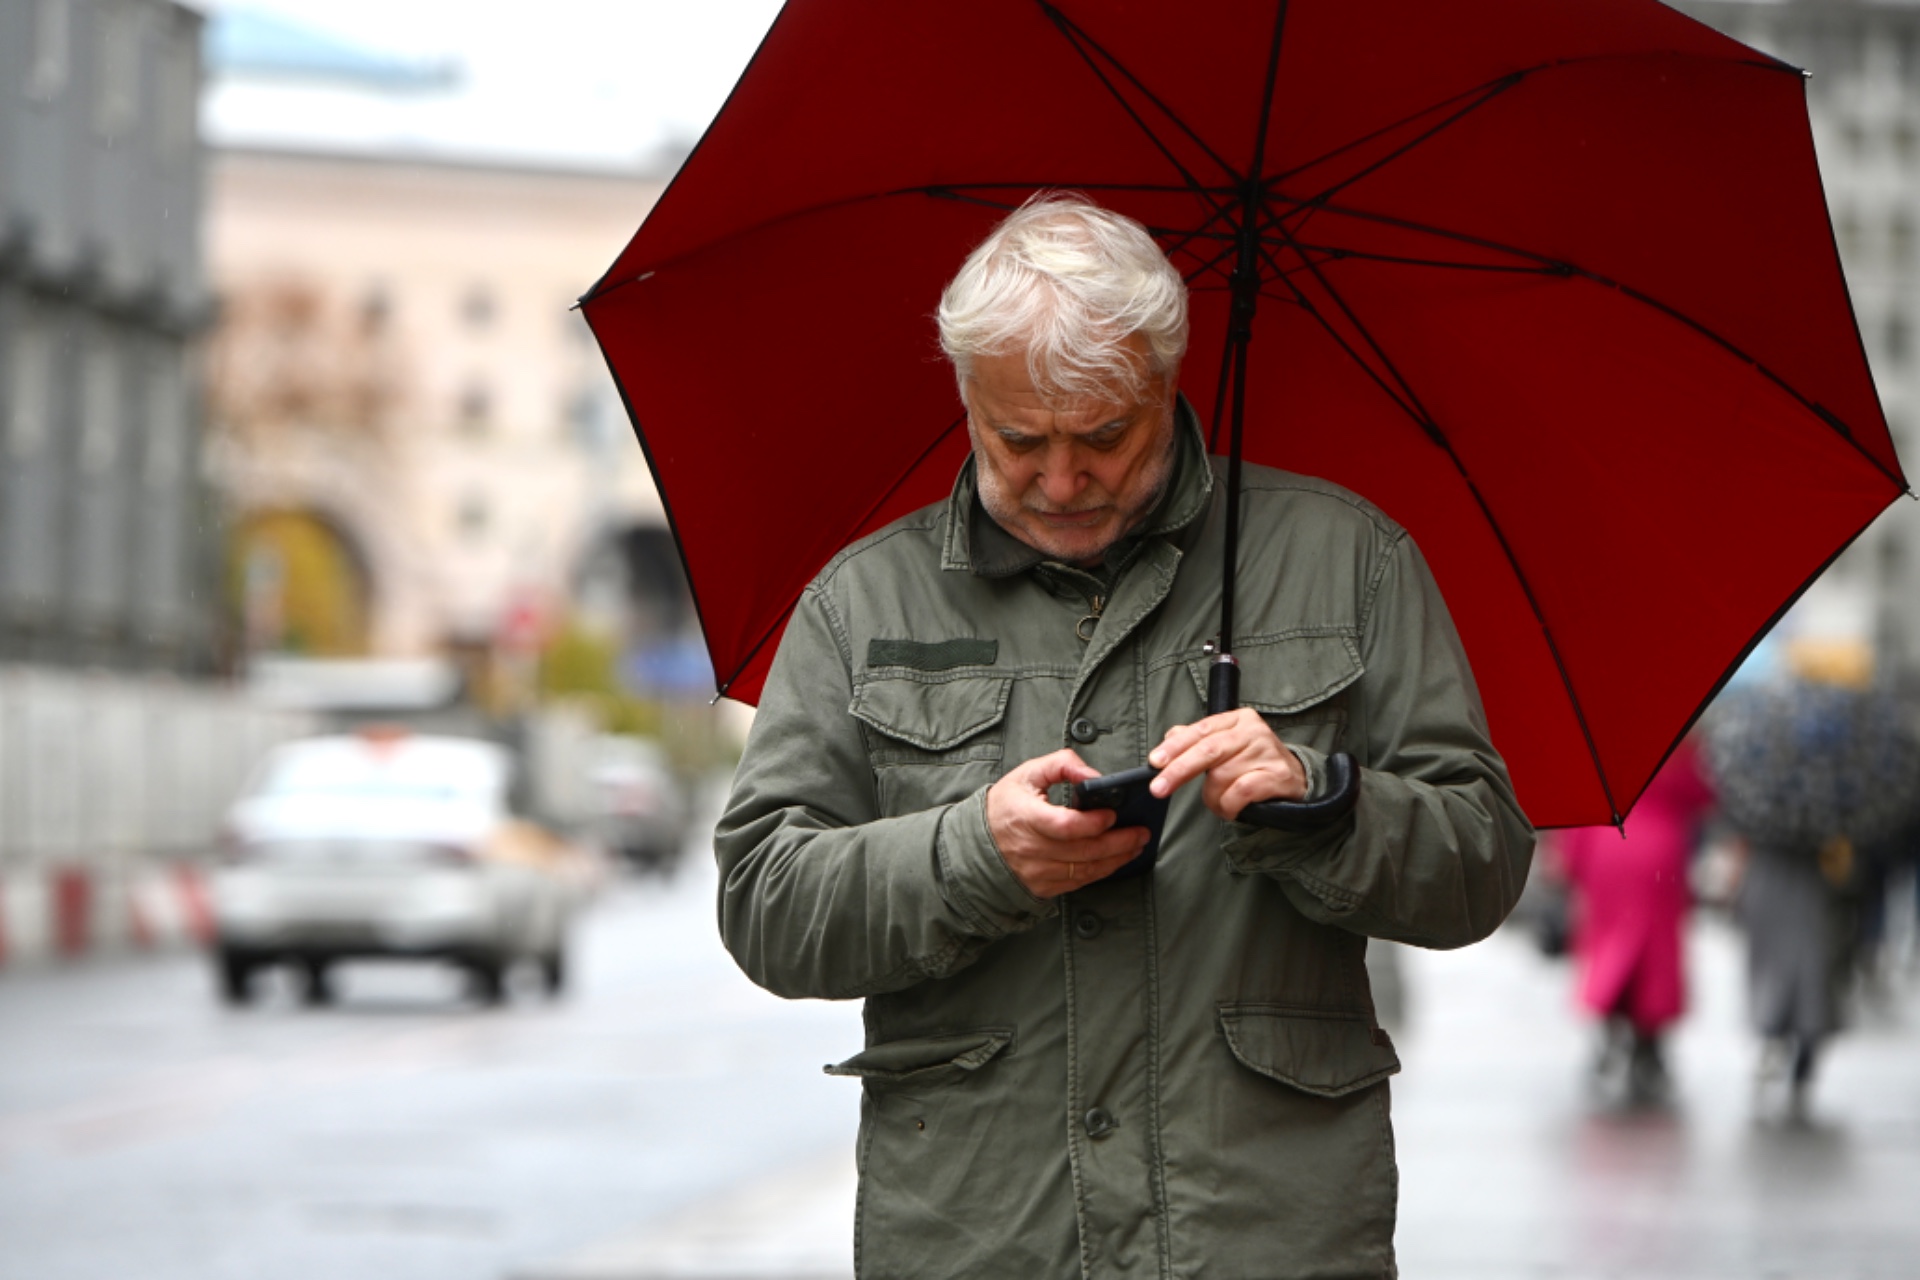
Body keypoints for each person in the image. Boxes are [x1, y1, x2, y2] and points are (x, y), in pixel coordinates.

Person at [715, 194, 1535, 1278]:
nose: (1060, 481)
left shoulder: (1351, 563)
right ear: (965, 395)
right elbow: (765, 898)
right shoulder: (860, 605)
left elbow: (1481, 858)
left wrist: (1321, 801)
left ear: (1167, 380)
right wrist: (972, 852)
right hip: (980, 1234)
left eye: (1103, 435)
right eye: (1018, 440)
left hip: (1265, 1237)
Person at [1557, 739, 1715, 1105]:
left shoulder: (1596, 739)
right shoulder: (1677, 740)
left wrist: (1571, 858)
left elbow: (1578, 802)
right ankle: (1650, 1043)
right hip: (1661, 851)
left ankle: (1610, 1030)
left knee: (1610, 947)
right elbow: (1702, 795)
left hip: (1606, 846)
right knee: (1655, 955)